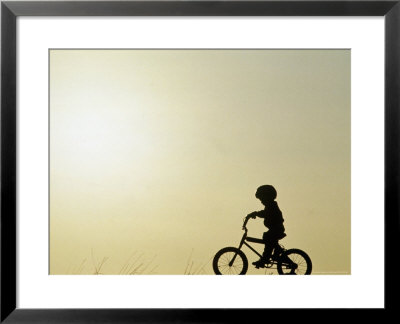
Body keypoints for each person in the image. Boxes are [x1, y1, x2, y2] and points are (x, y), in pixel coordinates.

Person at [247, 185, 286, 268]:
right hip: (275, 229)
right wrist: (256, 214)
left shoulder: (272, 206)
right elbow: (265, 213)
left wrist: (256, 213)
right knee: (269, 239)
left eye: (262, 199)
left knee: (268, 238)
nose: (261, 201)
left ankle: (265, 259)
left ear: (267, 197)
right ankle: (276, 251)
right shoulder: (269, 206)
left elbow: (266, 213)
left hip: (277, 229)